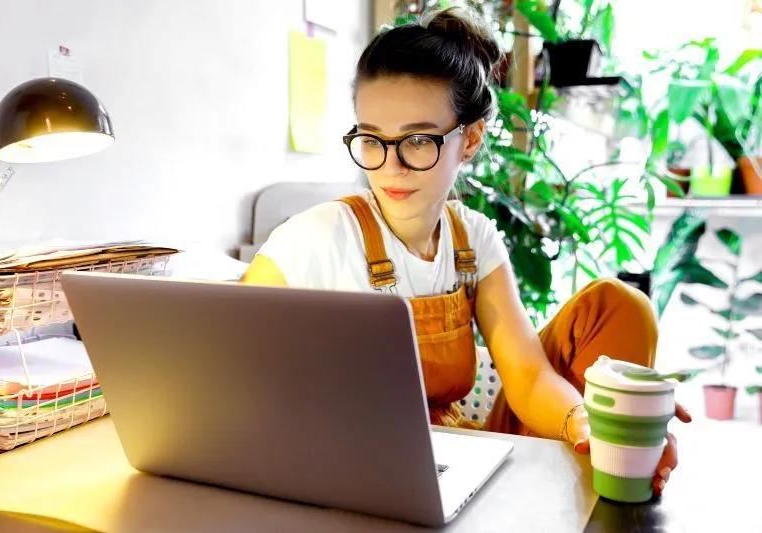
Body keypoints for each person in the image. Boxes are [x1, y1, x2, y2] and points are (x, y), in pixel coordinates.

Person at [242, 7, 689, 496]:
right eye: (372, 139)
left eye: (417, 140)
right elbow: (230, 364)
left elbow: (529, 377)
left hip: (456, 459)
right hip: (351, 470)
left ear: (470, 138)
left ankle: (608, 467)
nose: (391, 167)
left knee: (618, 306)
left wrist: (588, 421)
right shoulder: (315, 237)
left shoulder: (473, 238)